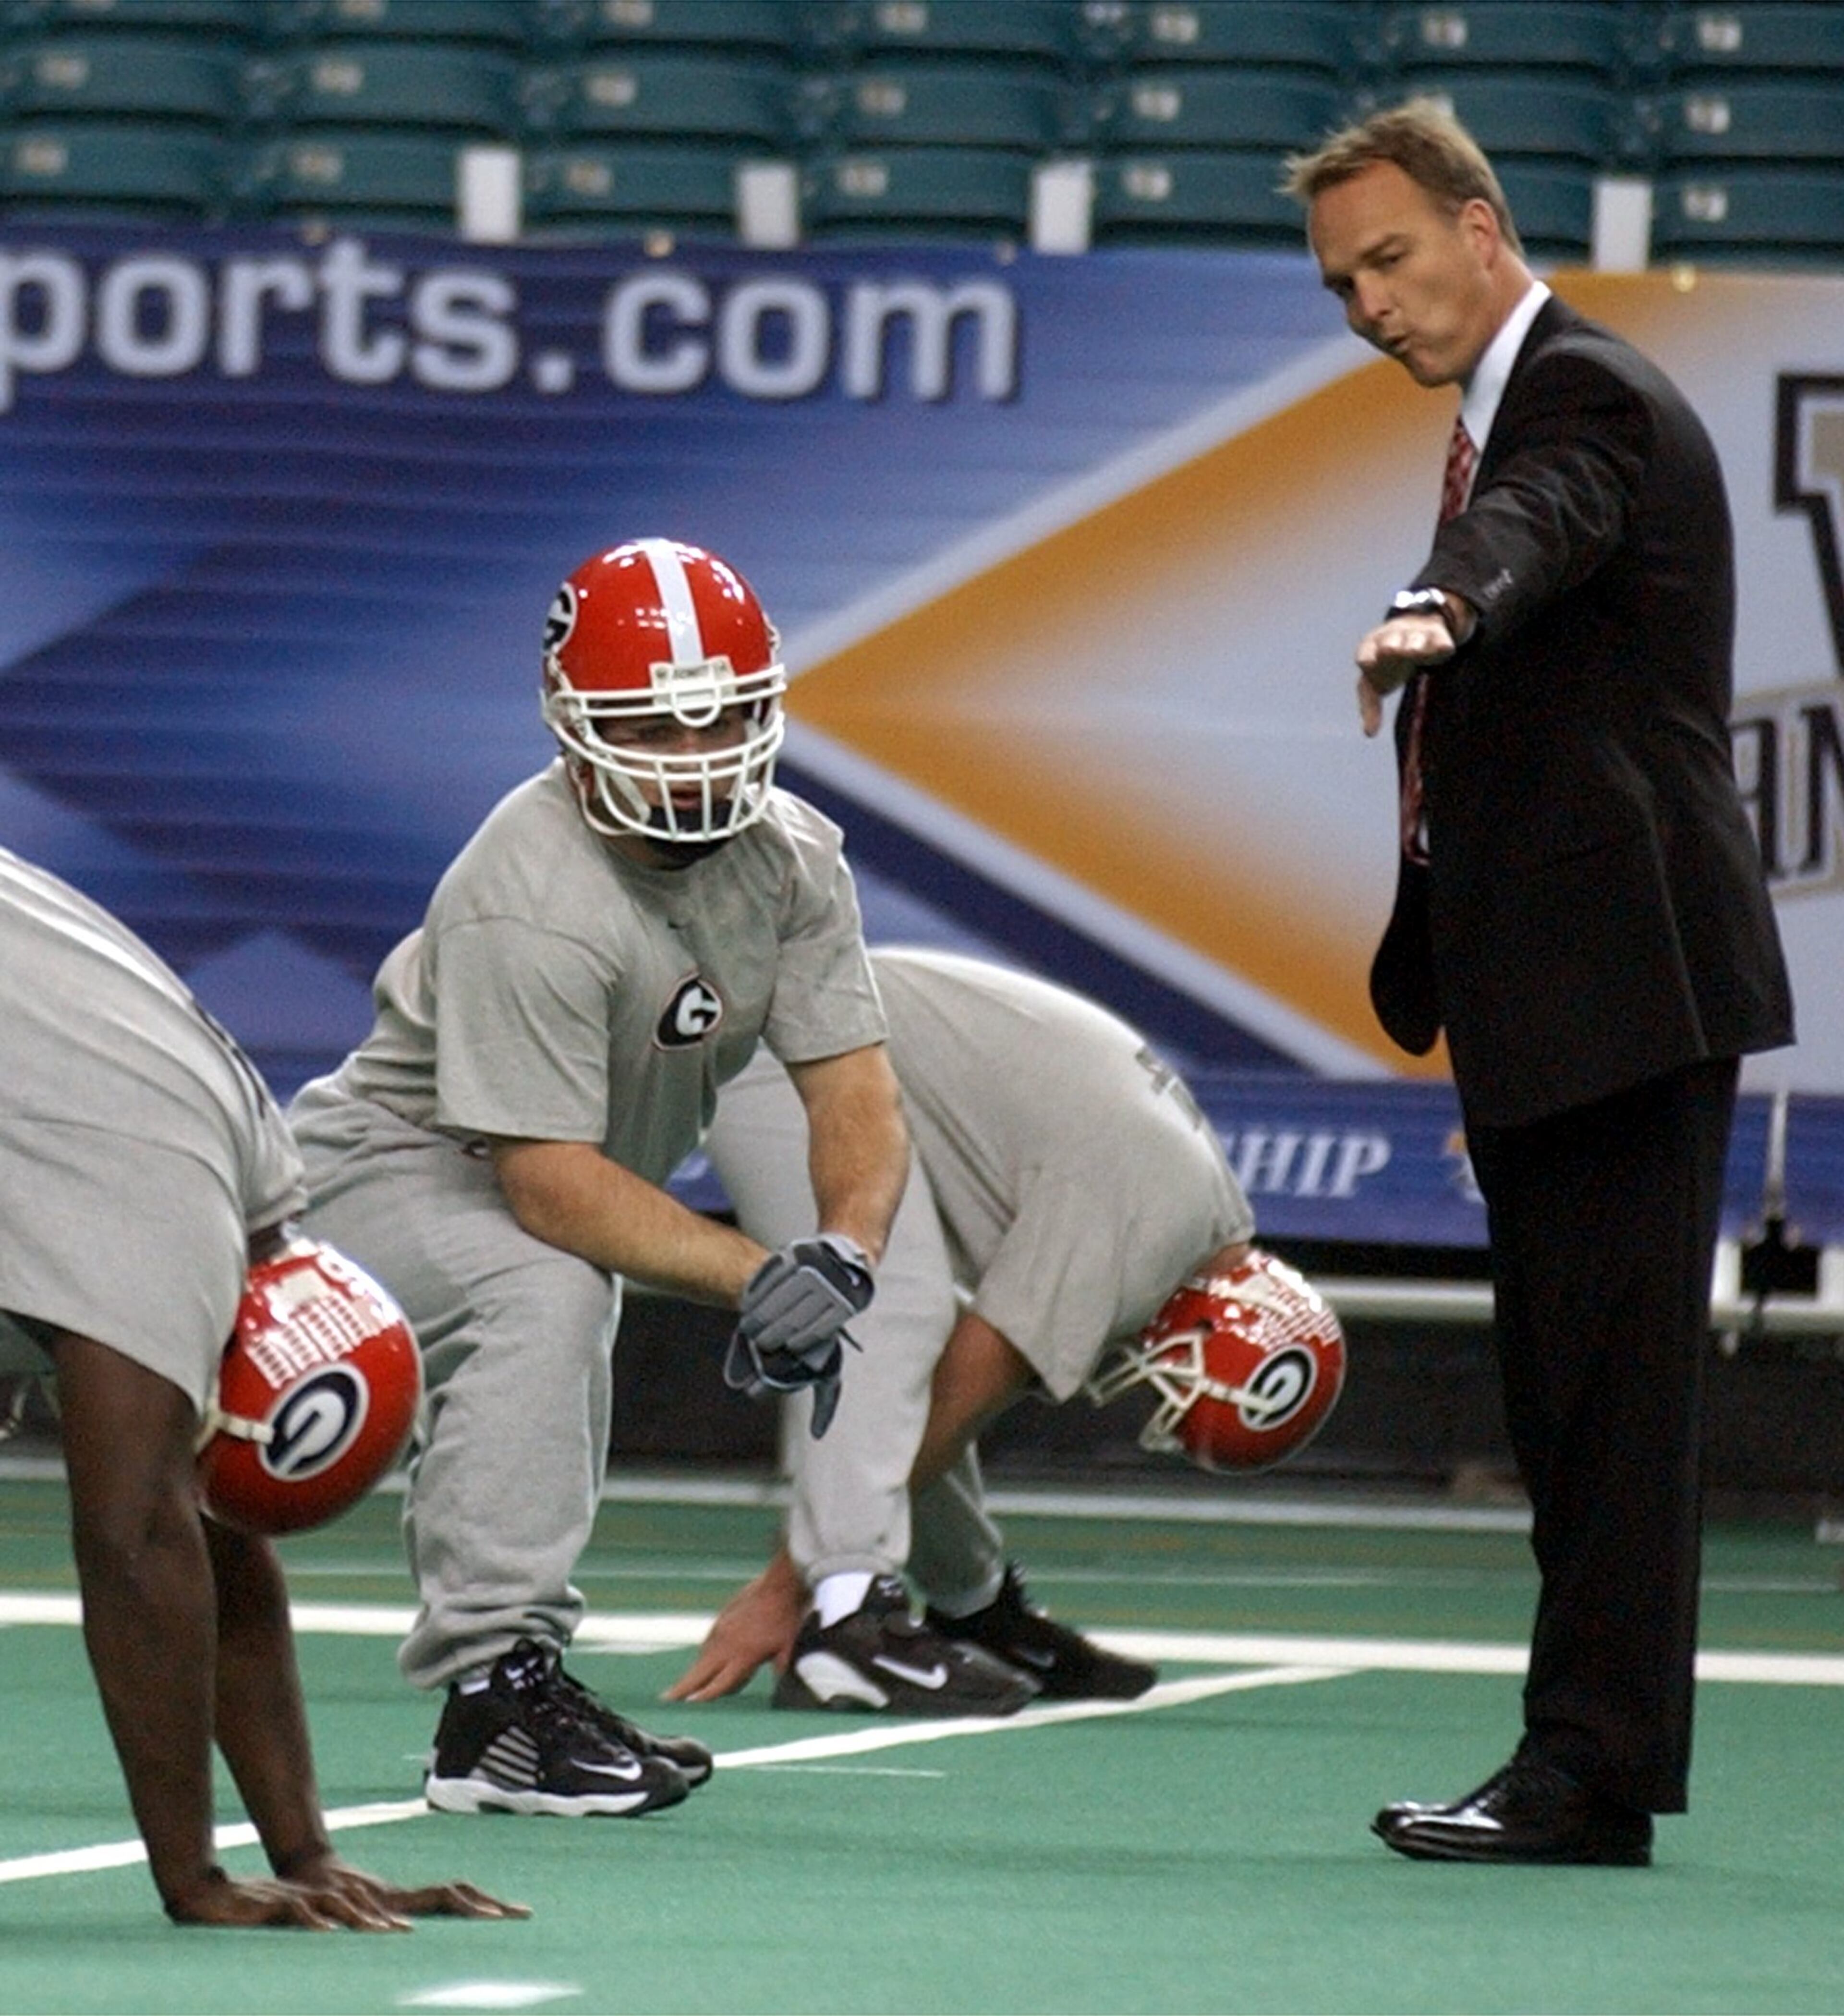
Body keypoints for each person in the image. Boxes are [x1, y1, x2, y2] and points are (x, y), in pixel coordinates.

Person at [1284, 101, 1794, 1866]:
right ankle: (1579, 1755)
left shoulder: (1584, 398)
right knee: (1574, 1400)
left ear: (1483, 226)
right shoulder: (1531, 409)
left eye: (1392, 259)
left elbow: (1540, 522)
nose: (1368, 302)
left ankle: (1587, 1770)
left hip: (1626, 989)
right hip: (1581, 998)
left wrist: (1443, 604)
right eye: (1343, 280)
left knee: (1610, 1406)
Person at [288, 537, 909, 1816]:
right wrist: (756, 1276)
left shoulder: (792, 853)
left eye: (724, 718)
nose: (693, 758)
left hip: (532, 1173)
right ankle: (493, 1699)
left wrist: (840, 1255)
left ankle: (512, 1682)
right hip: (386, 1167)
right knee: (548, 1287)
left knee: (561, 1282)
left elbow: (856, 1091)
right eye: (651, 728)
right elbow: (553, 1186)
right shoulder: (528, 892)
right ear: (576, 730)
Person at [0, 848, 525, 1931]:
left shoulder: (217, 1142)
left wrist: (306, 1848)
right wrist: (196, 1877)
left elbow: (206, 1530)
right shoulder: (154, 1186)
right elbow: (142, 1533)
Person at [666, 947, 1259, 1715]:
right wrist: (785, 1588)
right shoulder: (1151, 1229)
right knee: (882, 1312)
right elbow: (959, 1394)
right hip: (793, 1047)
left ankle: (973, 1609)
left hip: (834, 1034)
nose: (1173, 1405)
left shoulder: (1201, 1207)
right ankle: (845, 1622)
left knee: (915, 1347)